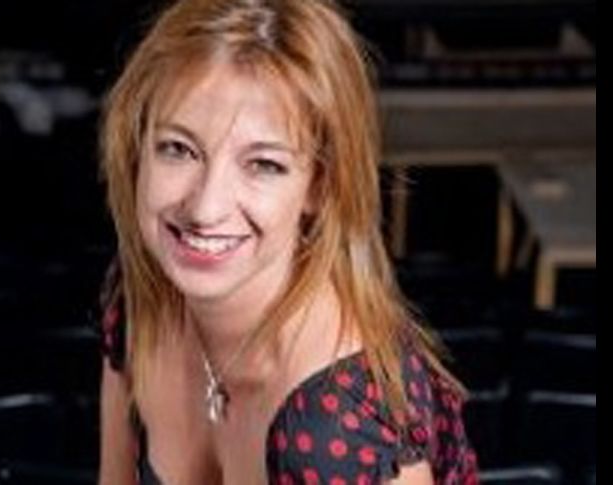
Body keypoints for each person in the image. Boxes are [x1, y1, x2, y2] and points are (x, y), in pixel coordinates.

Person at [97, 0, 478, 483]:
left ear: (319, 185)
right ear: (136, 151)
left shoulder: (339, 430)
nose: (205, 209)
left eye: (264, 164)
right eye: (178, 149)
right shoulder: (142, 292)